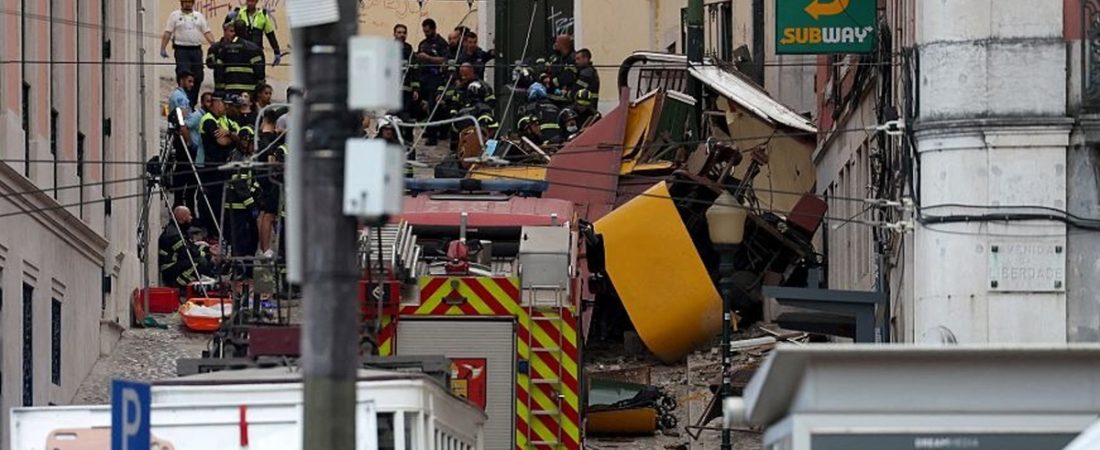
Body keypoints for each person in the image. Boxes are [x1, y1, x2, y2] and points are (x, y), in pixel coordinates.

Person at [199, 92, 240, 236]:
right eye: (224, 103)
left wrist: (229, 134)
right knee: (213, 202)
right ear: (216, 102)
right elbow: (221, 141)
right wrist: (232, 138)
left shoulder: (225, 120)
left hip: (224, 166)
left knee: (223, 201)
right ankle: (212, 233)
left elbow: (239, 136)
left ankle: (220, 231)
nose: (226, 107)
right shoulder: (208, 119)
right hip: (212, 167)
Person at [160, 0, 216, 107]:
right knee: (184, 75)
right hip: (182, 50)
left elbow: (207, 32)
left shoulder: (198, 16)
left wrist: (215, 45)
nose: (188, 4)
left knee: (198, 77)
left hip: (196, 50)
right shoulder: (175, 15)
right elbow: (168, 32)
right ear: (181, 3)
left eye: (190, 2)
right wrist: (163, 48)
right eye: (185, 1)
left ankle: (192, 102)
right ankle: (183, 101)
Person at [158, 206, 218, 289]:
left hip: (177, 262)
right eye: (189, 215)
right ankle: (179, 284)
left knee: (202, 248)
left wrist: (208, 249)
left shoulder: (179, 229)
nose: (191, 218)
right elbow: (187, 253)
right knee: (201, 262)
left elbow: (191, 247)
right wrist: (208, 256)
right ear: (183, 218)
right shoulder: (175, 235)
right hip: (170, 270)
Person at [416, 18, 451, 145]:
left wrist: (429, 58)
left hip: (436, 78)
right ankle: (429, 128)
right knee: (422, 107)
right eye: (424, 32)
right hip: (424, 78)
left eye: (428, 31)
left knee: (433, 106)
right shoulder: (423, 44)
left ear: (434, 29)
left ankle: (433, 136)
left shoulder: (442, 43)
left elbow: (445, 60)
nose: (426, 34)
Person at [207, 22, 265, 96]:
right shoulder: (253, 48)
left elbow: (219, 70)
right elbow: (260, 71)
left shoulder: (224, 49)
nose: (233, 33)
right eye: (231, 31)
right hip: (249, 89)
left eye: (234, 31)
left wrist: (220, 89)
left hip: (230, 88)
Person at [225, 0, 283, 65]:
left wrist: (276, 51)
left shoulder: (262, 15)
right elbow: (226, 28)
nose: (249, 3)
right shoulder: (240, 13)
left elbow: (270, 35)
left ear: (256, 2)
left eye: (252, 1)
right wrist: (228, 17)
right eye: (248, 1)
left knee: (259, 73)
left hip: (257, 52)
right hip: (242, 52)